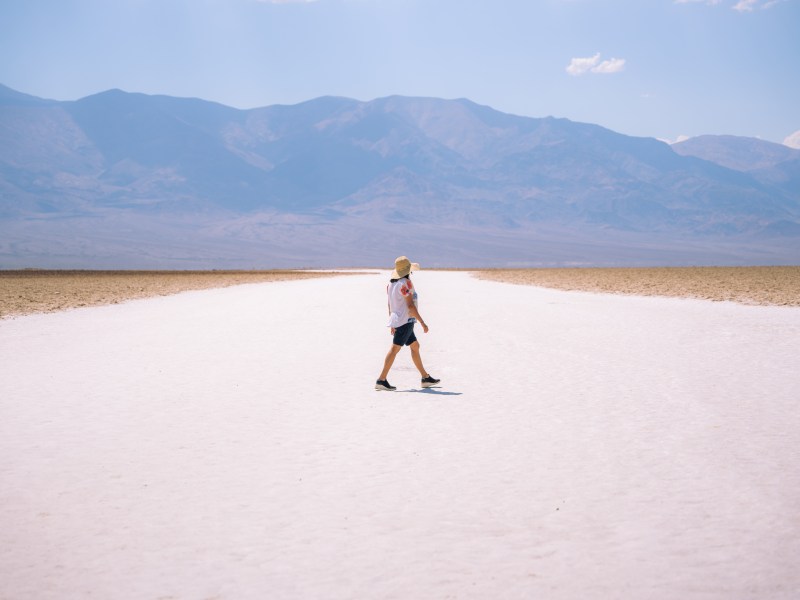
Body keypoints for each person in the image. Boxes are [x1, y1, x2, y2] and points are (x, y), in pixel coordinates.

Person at [375, 256, 441, 391]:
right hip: (406, 321)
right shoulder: (405, 284)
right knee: (394, 350)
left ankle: (425, 377)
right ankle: (381, 380)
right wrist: (423, 323)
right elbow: (410, 306)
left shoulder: (391, 285)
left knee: (415, 346)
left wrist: (392, 322)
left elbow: (390, 305)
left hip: (400, 320)